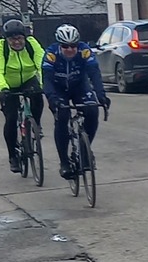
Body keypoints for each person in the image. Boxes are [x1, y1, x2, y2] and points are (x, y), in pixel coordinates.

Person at [41, 23, 109, 180]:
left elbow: (94, 73)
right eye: (65, 46)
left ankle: (85, 150)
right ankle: (64, 162)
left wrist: (101, 95)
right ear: (59, 45)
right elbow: (47, 80)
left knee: (92, 111)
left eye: (73, 45)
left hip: (79, 86)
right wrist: (52, 99)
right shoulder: (51, 54)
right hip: (58, 89)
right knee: (62, 116)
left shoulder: (84, 51)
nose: (70, 49)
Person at [0, 17, 48, 173]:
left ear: (24, 37)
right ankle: (13, 156)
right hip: (8, 83)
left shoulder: (31, 44)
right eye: (12, 39)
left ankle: (36, 125)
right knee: (11, 118)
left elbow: (42, 65)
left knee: (37, 97)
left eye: (20, 38)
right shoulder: (0, 47)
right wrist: (3, 88)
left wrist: (44, 85)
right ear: (6, 39)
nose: (16, 42)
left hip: (28, 79)